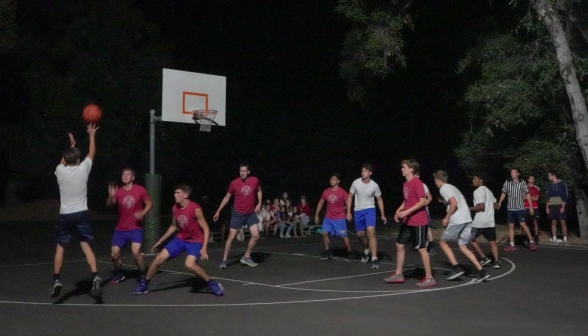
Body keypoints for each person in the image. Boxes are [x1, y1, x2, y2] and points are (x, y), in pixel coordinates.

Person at [132, 184, 223, 296]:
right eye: (174, 193)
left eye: (178, 193)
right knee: (158, 258)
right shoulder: (175, 208)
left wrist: (204, 248)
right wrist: (160, 241)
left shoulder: (195, 208)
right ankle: (144, 284)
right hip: (180, 239)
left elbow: (205, 228)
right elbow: (174, 226)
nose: (175, 195)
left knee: (189, 265)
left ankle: (211, 283)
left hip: (195, 241)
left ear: (185, 195)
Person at [51, 124, 102, 298]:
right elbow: (92, 152)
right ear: (78, 160)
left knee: (61, 247)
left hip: (65, 215)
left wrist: (70, 147)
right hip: (81, 213)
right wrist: (91, 135)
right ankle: (95, 276)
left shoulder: (60, 171)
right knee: (85, 245)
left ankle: (57, 280)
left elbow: (63, 161)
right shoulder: (83, 169)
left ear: (65, 159)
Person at [433, 170, 490, 282]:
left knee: (443, 242)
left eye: (435, 180)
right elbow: (462, 199)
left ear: (438, 180)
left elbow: (454, 203)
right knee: (463, 246)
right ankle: (481, 271)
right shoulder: (453, 187)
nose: (435, 182)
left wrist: (447, 217)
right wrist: (445, 203)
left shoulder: (443, 188)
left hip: (458, 220)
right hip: (467, 219)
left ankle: (456, 267)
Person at [387, 160, 435, 287]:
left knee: (421, 248)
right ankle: (398, 274)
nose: (402, 169)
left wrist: (406, 211)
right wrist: (399, 210)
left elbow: (422, 201)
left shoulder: (417, 182)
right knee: (399, 245)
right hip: (408, 221)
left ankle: (430, 278)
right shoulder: (406, 184)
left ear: (411, 169)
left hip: (418, 221)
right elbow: (407, 199)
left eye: (404, 167)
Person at [106, 167, 153, 284]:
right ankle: (119, 273)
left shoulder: (140, 190)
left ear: (133, 177)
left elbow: (149, 203)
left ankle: (142, 275)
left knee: (136, 252)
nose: (125, 176)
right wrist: (111, 196)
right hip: (121, 228)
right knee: (114, 254)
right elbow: (109, 205)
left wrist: (142, 213)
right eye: (123, 174)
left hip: (135, 227)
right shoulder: (119, 191)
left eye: (128, 174)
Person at [214, 163, 263, 268]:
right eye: (241, 171)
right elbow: (227, 197)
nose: (242, 173)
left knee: (256, 235)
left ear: (248, 172)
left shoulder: (254, 180)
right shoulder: (234, 183)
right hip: (238, 213)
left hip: (250, 213)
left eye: (244, 171)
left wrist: (259, 203)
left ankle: (246, 256)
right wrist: (218, 210)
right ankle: (224, 260)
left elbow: (259, 191)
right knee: (231, 236)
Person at [346, 164, 387, 269]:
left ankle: (374, 258)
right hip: (358, 211)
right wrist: (348, 212)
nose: (363, 172)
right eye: (362, 171)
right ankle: (366, 250)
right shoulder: (355, 183)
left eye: (365, 171)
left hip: (370, 209)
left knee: (371, 232)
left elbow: (379, 199)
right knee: (360, 235)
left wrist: (382, 214)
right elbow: (350, 197)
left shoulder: (374, 185)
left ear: (370, 173)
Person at [314, 174, 353, 261]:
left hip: (339, 218)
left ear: (338, 181)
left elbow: (348, 202)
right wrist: (316, 215)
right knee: (324, 233)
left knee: (344, 236)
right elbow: (321, 202)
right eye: (331, 179)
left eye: (333, 179)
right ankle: (327, 251)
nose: (331, 181)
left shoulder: (342, 192)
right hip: (328, 217)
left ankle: (350, 252)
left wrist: (347, 210)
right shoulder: (326, 191)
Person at [496, 168, 537, 251]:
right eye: (511, 172)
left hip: (520, 207)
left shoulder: (522, 183)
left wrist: (531, 207)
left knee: (523, 224)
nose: (512, 173)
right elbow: (504, 193)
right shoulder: (507, 182)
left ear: (518, 174)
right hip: (510, 208)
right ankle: (512, 244)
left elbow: (527, 194)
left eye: (514, 172)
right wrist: (500, 202)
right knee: (510, 225)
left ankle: (532, 242)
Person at [468, 174, 501, 269]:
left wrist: (467, 209)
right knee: (492, 241)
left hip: (480, 221)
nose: (473, 180)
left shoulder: (477, 191)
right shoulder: (488, 191)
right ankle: (497, 261)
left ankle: (483, 258)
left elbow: (481, 206)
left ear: (481, 180)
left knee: (469, 238)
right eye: (473, 178)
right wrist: (490, 211)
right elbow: (496, 203)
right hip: (490, 220)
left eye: (475, 179)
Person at [546, 170, 569, 245]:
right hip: (552, 205)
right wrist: (547, 207)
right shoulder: (549, 185)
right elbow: (547, 197)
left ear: (553, 175)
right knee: (553, 221)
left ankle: (565, 240)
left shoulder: (562, 184)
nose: (548, 177)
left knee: (562, 221)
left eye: (549, 175)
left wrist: (563, 206)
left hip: (560, 205)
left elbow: (565, 195)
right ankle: (554, 239)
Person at [415, 172, 436, 255]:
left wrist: (422, 206)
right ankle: (422, 243)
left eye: (415, 175)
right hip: (414, 210)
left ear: (418, 176)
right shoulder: (410, 185)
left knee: (427, 228)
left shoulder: (422, 185)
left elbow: (430, 197)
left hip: (423, 209)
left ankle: (432, 246)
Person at [524, 175, 541, 243]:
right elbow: (523, 197)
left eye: (532, 179)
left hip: (534, 207)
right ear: (528, 180)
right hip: (525, 207)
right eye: (530, 179)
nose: (531, 180)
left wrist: (528, 198)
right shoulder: (524, 187)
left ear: (534, 180)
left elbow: (536, 198)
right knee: (525, 223)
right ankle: (525, 237)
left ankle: (536, 236)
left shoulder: (536, 188)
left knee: (535, 222)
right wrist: (532, 197)